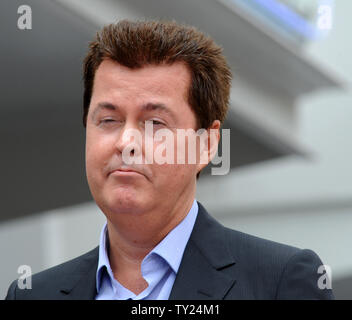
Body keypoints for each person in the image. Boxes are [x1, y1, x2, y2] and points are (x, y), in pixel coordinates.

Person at [6, 19, 333, 300]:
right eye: (108, 120)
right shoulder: (33, 293)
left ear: (206, 144)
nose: (126, 142)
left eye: (155, 124)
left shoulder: (280, 283)